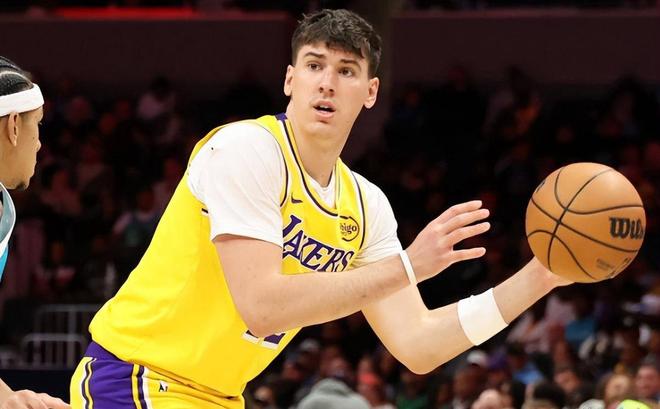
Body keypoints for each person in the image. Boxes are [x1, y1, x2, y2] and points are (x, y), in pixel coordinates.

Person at [69, 9, 570, 409]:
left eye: (346, 71)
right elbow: (262, 307)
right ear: (290, 79)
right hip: (137, 376)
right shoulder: (245, 149)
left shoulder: (366, 205)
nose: (327, 83)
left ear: (371, 92)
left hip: (219, 396)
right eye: (314, 66)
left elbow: (419, 345)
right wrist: (408, 267)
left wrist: (541, 276)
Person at [0, 57, 70, 409]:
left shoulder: (3, 207)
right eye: (37, 125)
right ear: (14, 125)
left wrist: (10, 397)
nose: (39, 143)